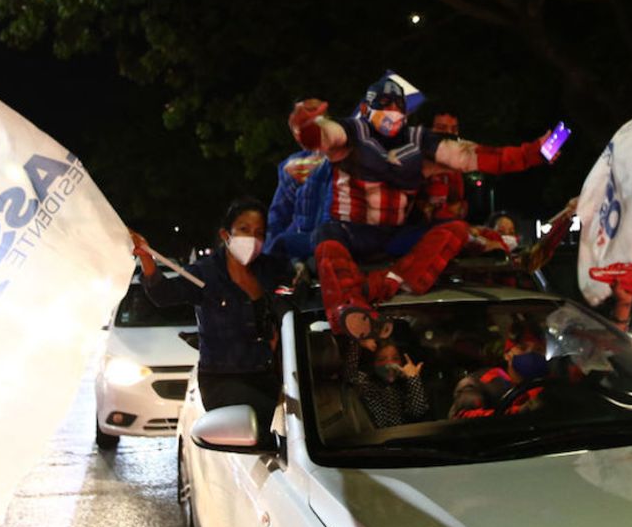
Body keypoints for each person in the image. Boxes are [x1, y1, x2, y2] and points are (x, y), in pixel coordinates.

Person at [289, 71, 562, 339]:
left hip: (396, 236)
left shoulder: (420, 143)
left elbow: (478, 157)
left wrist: (536, 153)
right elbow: (321, 136)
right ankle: (348, 308)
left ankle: (385, 283)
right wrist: (306, 122)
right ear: (365, 107)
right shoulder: (351, 132)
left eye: (398, 105)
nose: (392, 111)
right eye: (384, 104)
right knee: (324, 237)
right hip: (351, 232)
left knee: (454, 230)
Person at [130, 197, 295, 447]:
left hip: (269, 378)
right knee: (280, 432)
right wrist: (147, 259)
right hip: (223, 381)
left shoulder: (270, 271)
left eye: (259, 233)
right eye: (244, 230)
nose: (252, 238)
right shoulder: (205, 273)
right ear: (225, 234)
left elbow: (294, 301)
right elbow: (163, 295)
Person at [449, 320, 549, 419]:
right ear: (507, 354)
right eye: (522, 348)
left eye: (538, 350)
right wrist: (517, 412)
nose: (530, 354)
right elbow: (462, 419)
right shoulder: (479, 383)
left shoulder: (549, 384)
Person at [344, 337, 429, 428]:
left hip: (404, 436)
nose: (389, 364)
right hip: (379, 438)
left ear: (401, 362)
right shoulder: (367, 384)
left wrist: (413, 378)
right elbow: (351, 375)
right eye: (381, 359)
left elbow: (418, 412)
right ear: (373, 364)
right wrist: (358, 344)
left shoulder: (405, 385)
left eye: (395, 358)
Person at [265, 149, 332, 260]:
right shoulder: (294, 164)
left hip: (325, 250)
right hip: (297, 250)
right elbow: (277, 216)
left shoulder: (347, 162)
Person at [417, 108, 468, 224]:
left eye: (454, 130)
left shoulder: (454, 166)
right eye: (441, 128)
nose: (449, 134)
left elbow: (458, 204)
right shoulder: (408, 160)